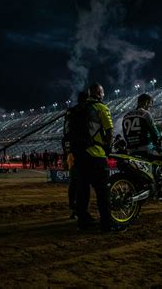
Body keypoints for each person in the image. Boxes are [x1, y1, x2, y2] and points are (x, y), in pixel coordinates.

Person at [122, 93, 162, 198]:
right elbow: (155, 133)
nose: (150, 107)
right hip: (146, 149)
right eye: (150, 105)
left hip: (131, 151)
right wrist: (160, 137)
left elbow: (125, 134)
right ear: (146, 102)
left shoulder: (126, 116)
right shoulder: (145, 114)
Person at [73, 83, 113, 232]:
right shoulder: (101, 108)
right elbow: (109, 132)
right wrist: (107, 148)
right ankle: (106, 225)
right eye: (102, 92)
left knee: (82, 192)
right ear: (98, 93)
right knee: (103, 193)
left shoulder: (77, 109)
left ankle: (82, 224)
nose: (103, 94)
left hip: (80, 156)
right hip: (96, 156)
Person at [62, 90, 89, 219]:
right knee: (82, 182)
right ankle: (79, 210)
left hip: (70, 150)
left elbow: (65, 134)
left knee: (73, 181)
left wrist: (65, 153)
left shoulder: (70, 112)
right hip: (81, 150)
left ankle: (73, 208)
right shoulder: (84, 111)